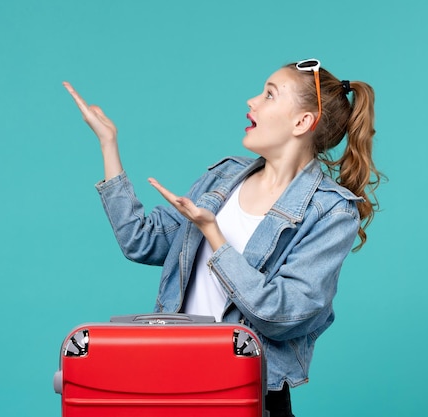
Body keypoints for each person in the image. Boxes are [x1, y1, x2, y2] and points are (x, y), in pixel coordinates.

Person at [63, 58, 382, 417]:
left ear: (302, 122)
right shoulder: (223, 177)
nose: (252, 101)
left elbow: (281, 314)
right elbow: (140, 240)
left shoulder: (332, 212)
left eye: (269, 95)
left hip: (247, 394)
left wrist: (213, 234)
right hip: (171, 383)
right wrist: (109, 145)